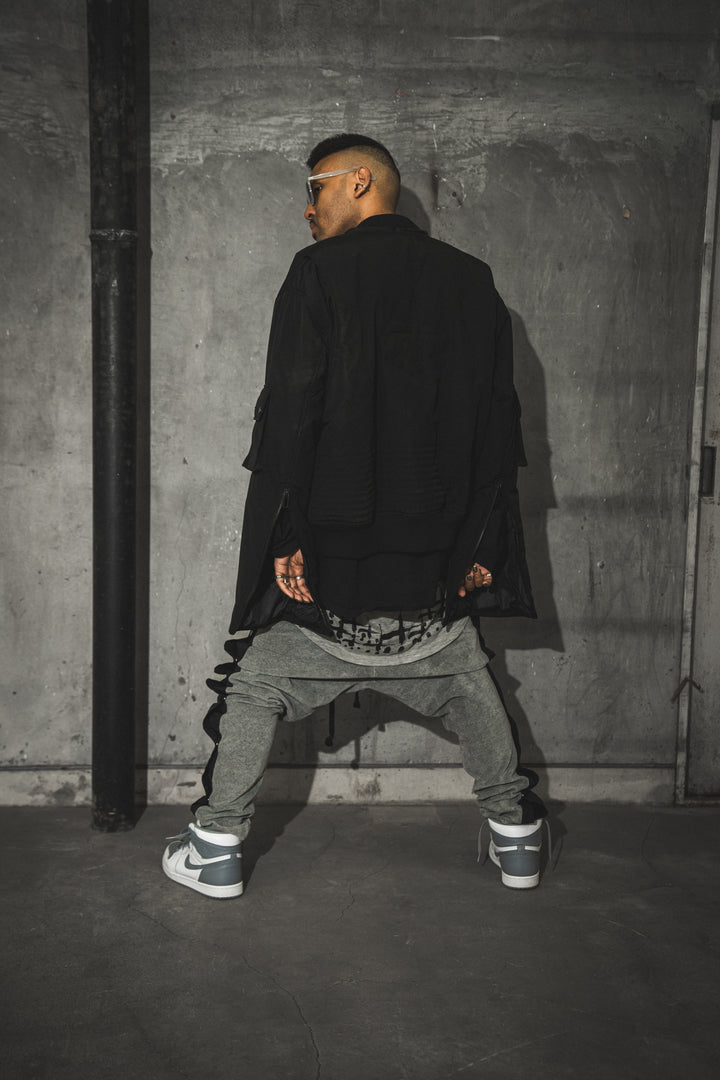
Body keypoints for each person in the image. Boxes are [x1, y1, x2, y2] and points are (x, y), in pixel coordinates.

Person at [162, 133, 547, 900]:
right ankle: (519, 842)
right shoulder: (472, 281)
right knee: (469, 682)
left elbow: (292, 414)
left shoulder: (318, 273)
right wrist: (483, 546)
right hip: (435, 583)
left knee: (254, 688)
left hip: (331, 584)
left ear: (360, 181)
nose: (307, 210)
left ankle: (216, 848)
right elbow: (497, 428)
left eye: (315, 190)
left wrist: (286, 537)